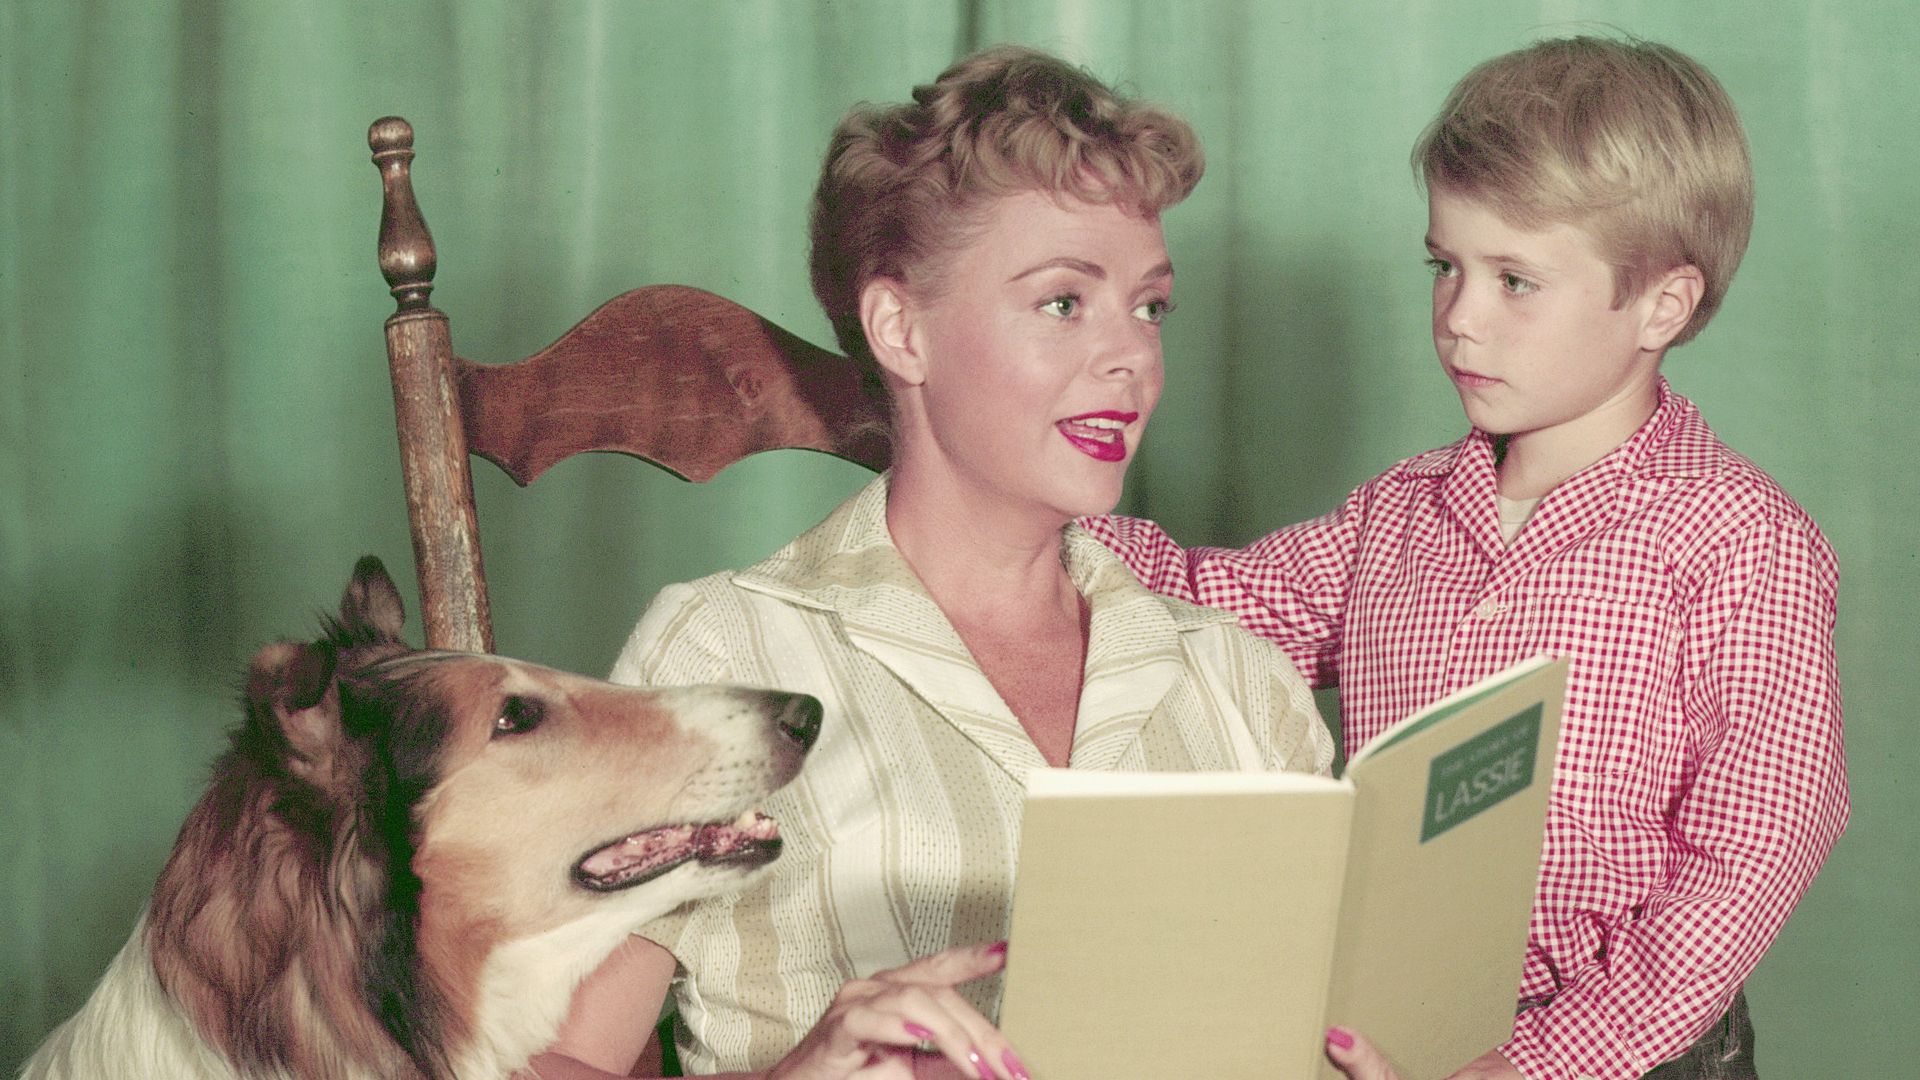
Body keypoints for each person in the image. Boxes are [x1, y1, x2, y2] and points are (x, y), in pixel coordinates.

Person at [524, 46, 1336, 1080]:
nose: (1131, 355)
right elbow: (546, 1063)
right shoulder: (726, 655)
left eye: (1150, 305)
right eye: (1062, 302)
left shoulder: (1239, 684)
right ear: (901, 330)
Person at [1088, 36, 1849, 1080]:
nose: (1459, 319)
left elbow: (1758, 845)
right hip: (1408, 1038)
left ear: (1662, 306)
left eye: (1516, 281)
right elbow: (1206, 602)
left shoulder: (1740, 540)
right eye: (1446, 266)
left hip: (1633, 1057)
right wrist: (996, 475)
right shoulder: (1402, 514)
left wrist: (1547, 1061)